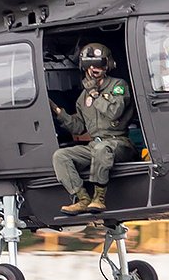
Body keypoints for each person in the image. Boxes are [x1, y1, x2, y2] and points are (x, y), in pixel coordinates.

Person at [51, 43, 134, 213]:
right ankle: (82, 198)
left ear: (107, 66)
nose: (92, 70)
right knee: (61, 156)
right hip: (95, 145)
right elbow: (80, 128)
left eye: (97, 65)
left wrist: (95, 94)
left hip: (119, 143)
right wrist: (59, 112)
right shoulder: (83, 97)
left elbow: (113, 112)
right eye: (88, 66)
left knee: (102, 149)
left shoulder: (118, 86)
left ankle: (99, 198)